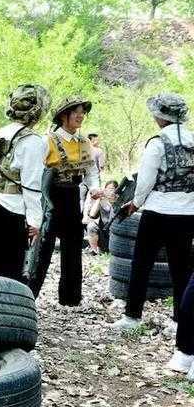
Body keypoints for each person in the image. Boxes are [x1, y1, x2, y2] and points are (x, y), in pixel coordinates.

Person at [111, 94, 194, 341]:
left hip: (158, 211)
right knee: (181, 270)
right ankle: (179, 320)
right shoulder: (193, 141)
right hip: (188, 212)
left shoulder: (157, 143)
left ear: (160, 117)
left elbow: (145, 181)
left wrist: (135, 204)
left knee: (142, 264)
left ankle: (132, 315)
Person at [28, 96, 102, 306]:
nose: (80, 116)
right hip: (50, 196)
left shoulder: (85, 142)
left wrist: (94, 188)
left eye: (82, 112)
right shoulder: (47, 140)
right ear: (63, 116)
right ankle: (29, 295)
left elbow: (91, 172)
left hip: (73, 196)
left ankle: (70, 298)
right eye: (76, 112)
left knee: (73, 247)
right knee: (43, 247)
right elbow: (37, 172)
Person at [0, 84, 49, 282]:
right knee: (10, 276)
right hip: (10, 209)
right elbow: (32, 185)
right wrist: (35, 221)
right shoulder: (33, 141)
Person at [83, 180, 118, 255]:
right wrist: (99, 198)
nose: (110, 191)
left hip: (115, 231)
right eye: (108, 189)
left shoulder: (120, 201)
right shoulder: (102, 201)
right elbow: (92, 215)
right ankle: (94, 250)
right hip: (104, 231)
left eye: (112, 189)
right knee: (91, 226)